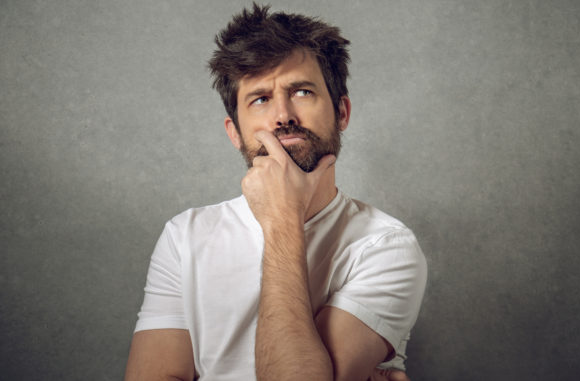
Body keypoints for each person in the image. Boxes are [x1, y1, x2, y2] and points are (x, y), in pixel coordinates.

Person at [125, 4, 426, 381]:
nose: (283, 115)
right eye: (260, 99)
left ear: (342, 112)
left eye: (301, 91)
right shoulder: (184, 236)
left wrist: (282, 218)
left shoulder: (386, 246)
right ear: (234, 131)